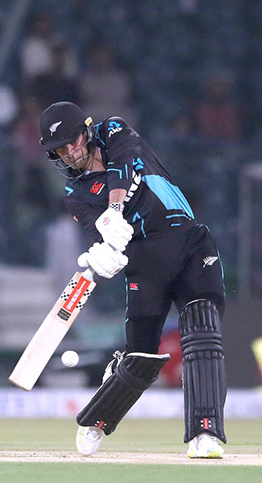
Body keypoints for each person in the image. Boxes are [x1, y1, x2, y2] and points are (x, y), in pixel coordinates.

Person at [38, 101, 227, 459]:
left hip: (188, 243)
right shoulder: (74, 196)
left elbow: (124, 165)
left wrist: (112, 210)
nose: (69, 153)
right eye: (60, 150)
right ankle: (97, 419)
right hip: (145, 263)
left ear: (87, 131)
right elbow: (102, 234)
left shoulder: (113, 130)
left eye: (72, 142)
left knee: (202, 331)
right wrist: (104, 254)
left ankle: (205, 435)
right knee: (140, 357)